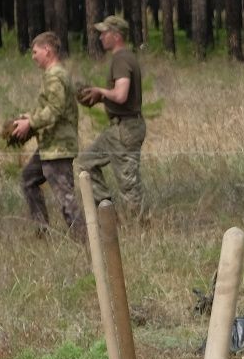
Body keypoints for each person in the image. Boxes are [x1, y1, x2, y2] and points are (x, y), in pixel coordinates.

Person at [13, 31, 85, 242]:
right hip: (49, 145)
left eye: (35, 52)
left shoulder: (55, 75)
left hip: (58, 147)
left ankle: (84, 239)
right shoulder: (54, 75)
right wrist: (30, 116)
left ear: (47, 50)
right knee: (28, 180)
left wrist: (31, 123)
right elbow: (50, 107)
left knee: (65, 196)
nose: (33, 56)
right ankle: (41, 230)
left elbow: (55, 109)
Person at [77, 14, 146, 217]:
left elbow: (121, 95)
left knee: (128, 184)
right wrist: (100, 98)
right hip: (118, 128)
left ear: (116, 36)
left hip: (126, 129)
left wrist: (100, 91)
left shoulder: (122, 59)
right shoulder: (123, 58)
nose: (100, 38)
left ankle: (140, 226)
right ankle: (108, 214)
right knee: (85, 163)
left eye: (104, 33)